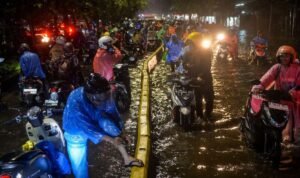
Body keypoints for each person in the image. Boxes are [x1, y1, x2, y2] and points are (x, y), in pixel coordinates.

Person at [63, 73, 144, 178]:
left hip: (94, 116)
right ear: (90, 96)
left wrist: (121, 133)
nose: (104, 101)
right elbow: (89, 129)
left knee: (112, 127)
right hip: (75, 130)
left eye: (105, 96)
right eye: (99, 99)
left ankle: (126, 158)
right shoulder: (76, 102)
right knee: (79, 165)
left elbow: (113, 113)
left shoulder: (104, 96)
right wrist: (111, 140)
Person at [252, 45, 300, 144]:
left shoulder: (298, 69)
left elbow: (299, 86)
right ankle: (284, 137)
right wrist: (258, 87)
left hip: (295, 100)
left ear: (291, 57)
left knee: (294, 112)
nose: (284, 58)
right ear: (278, 57)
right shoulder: (277, 68)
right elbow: (266, 78)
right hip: (280, 99)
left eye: (287, 56)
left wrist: (292, 94)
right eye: (282, 56)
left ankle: (295, 137)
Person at [180, 32, 214, 120]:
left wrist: (201, 75)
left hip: (206, 78)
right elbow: (184, 64)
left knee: (209, 98)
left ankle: (208, 114)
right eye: (195, 40)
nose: (197, 42)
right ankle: (199, 116)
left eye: (199, 40)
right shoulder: (188, 52)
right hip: (194, 78)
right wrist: (188, 65)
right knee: (198, 99)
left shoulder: (207, 51)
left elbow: (208, 65)